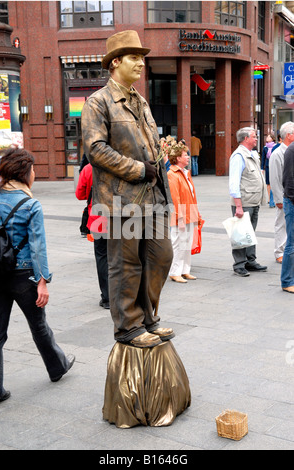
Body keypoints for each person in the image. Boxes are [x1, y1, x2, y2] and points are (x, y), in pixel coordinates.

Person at [81, 30, 174, 348]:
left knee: (161, 257)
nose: (141, 63)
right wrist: (138, 169)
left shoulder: (141, 101)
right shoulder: (98, 102)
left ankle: (148, 318)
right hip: (121, 199)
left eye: (142, 58)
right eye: (134, 57)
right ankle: (129, 327)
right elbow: (96, 150)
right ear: (115, 62)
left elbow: (150, 146)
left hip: (154, 197)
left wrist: (160, 170)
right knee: (127, 264)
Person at [0, 147, 75, 405]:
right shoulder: (30, 205)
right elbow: (38, 246)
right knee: (39, 326)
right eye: (32, 169)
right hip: (24, 274)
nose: (34, 173)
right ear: (24, 172)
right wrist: (43, 281)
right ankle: (57, 367)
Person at [229, 127, 267, 277]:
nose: (256, 139)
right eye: (254, 136)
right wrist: (238, 205)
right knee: (240, 234)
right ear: (245, 139)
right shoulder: (238, 156)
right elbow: (234, 182)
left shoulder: (251, 154)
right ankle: (239, 264)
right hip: (244, 203)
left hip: (253, 201)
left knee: (250, 233)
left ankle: (250, 261)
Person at [75, 162, 109, 309]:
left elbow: (80, 194)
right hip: (120, 218)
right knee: (121, 258)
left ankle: (107, 298)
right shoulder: (118, 163)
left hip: (98, 219)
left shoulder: (88, 168)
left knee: (102, 257)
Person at [167, 140, 201, 283]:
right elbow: (175, 198)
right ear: (178, 158)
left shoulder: (186, 173)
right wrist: (179, 218)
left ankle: (185, 270)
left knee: (187, 244)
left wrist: (196, 214)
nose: (188, 157)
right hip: (180, 216)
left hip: (190, 213)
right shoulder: (172, 174)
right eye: (185, 155)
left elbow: (192, 196)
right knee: (178, 244)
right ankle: (175, 272)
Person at [269, 122, 294, 264]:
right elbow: (274, 178)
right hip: (284, 196)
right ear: (289, 135)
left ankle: (287, 249)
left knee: (289, 224)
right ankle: (279, 251)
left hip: (291, 195)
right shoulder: (278, 153)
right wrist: (278, 198)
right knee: (281, 223)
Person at [281, 140, 294, 294]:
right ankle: (287, 281)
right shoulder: (291, 150)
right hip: (292, 202)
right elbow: (288, 180)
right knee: (291, 243)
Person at [261, 132, 276, 208]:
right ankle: (270, 198)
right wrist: (262, 168)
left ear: (272, 138)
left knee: (274, 182)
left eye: (269, 137)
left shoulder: (275, 147)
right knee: (268, 183)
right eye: (267, 137)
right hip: (267, 166)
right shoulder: (265, 148)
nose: (267, 138)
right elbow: (263, 158)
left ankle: (274, 198)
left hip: (274, 166)